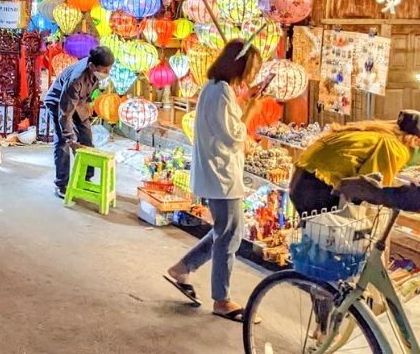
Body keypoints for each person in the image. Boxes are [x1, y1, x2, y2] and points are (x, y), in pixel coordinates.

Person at [166, 39, 263, 323]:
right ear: (240, 65)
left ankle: (183, 268)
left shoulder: (217, 89)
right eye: (252, 67)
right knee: (230, 236)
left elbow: (227, 124)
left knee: (225, 231)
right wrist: (252, 108)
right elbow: (234, 136)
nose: (252, 73)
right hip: (221, 175)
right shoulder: (220, 92)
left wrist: (245, 101)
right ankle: (221, 299)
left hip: (218, 174)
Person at [289, 110, 420, 216]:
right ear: (415, 140)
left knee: (314, 237)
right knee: (328, 241)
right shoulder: (395, 147)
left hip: (301, 179)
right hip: (317, 186)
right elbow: (370, 183)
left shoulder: (379, 133)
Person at [43, 46, 115, 199]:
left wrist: (88, 105)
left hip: (78, 102)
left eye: (109, 69)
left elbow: (84, 96)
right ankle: (62, 184)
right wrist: (70, 137)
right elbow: (65, 113)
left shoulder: (96, 70)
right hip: (59, 103)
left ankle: (85, 178)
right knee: (63, 142)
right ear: (92, 66)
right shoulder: (76, 80)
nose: (107, 73)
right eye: (104, 70)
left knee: (87, 138)